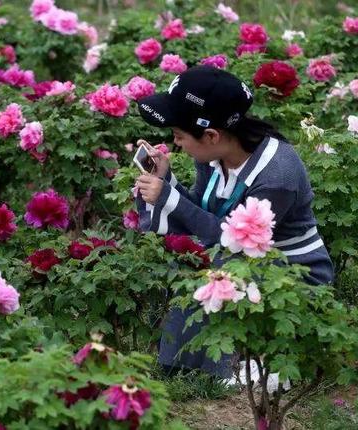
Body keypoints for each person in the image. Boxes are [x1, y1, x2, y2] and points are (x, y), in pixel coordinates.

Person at [133, 65, 334, 378]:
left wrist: (168, 198)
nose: (176, 145)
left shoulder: (276, 175)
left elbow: (230, 239)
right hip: (245, 259)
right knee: (191, 256)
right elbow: (205, 214)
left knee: (213, 263)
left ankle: (222, 368)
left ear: (212, 135)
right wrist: (166, 183)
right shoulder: (215, 156)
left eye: (178, 136)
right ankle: (185, 362)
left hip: (292, 276)